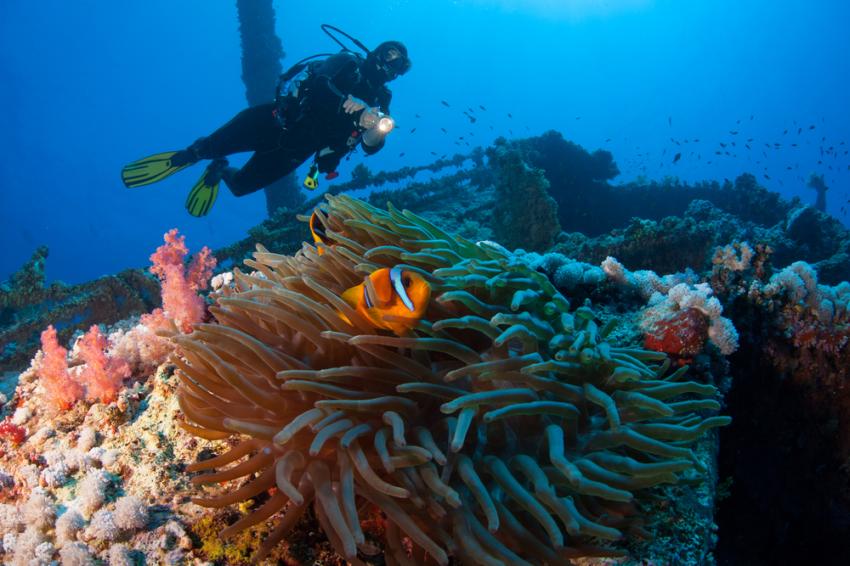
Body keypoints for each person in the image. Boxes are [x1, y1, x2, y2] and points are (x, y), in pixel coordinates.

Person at [121, 40, 411, 216]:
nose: (392, 64)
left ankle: (220, 170)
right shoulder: (347, 61)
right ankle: (189, 155)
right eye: (390, 54)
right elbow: (321, 84)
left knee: (241, 187)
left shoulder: (383, 99)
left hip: (296, 152)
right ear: (377, 52)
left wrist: (377, 129)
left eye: (400, 64)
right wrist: (352, 104)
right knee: (202, 149)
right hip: (273, 121)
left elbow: (370, 147)